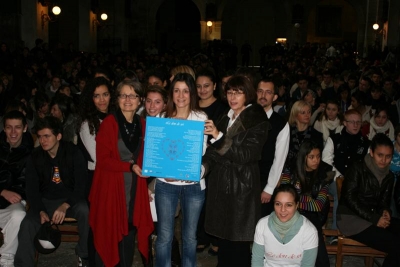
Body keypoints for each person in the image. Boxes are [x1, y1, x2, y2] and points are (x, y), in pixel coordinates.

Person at [202, 75, 270, 267]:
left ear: (247, 94)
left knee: (238, 242)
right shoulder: (227, 115)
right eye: (230, 92)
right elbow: (214, 152)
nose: (233, 97)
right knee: (224, 240)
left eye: (238, 93)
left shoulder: (257, 117)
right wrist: (203, 168)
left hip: (242, 186)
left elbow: (246, 154)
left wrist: (218, 136)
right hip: (221, 184)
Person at [89, 80, 153, 267]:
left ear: (140, 100)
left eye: (132, 95)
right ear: (117, 99)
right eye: (123, 95)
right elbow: (103, 160)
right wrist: (129, 167)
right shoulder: (109, 123)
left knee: (130, 231)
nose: (127, 99)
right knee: (109, 235)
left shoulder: (143, 124)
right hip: (111, 188)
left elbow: (148, 154)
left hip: (134, 189)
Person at [15, 116, 89, 267]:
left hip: (70, 200)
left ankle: (84, 255)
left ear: (58, 136)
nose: (43, 141)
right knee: (28, 223)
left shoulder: (73, 152)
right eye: (40, 137)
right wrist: (41, 210)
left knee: (85, 211)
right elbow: (32, 190)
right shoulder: (35, 156)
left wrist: (66, 205)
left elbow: (81, 186)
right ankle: (23, 264)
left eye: (47, 136)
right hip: (46, 201)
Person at [154, 73, 207, 267]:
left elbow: (201, 151)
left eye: (185, 91)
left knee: (190, 237)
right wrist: (162, 171)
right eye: (176, 90)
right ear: (171, 93)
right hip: (166, 184)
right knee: (164, 237)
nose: (181, 95)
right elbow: (157, 153)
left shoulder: (200, 117)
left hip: (193, 185)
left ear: (192, 93)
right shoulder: (161, 117)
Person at [337, 133, 400, 267]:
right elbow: (349, 198)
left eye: (388, 156)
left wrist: (385, 211)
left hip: (373, 216)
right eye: (380, 155)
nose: (384, 160)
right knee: (396, 245)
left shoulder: (389, 175)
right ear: (371, 152)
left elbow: (384, 201)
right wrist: (374, 218)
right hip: (351, 218)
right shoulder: (358, 168)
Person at [282, 140, 334, 267]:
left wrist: (297, 200)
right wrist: (306, 200)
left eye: (318, 156)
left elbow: (318, 206)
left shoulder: (325, 174)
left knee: (313, 232)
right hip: (290, 215)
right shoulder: (290, 170)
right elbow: (284, 196)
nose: (316, 160)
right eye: (311, 157)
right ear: (303, 157)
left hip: (313, 216)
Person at [251, 184, 318, 267]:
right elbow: (257, 260)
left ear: (296, 205)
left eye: (289, 205)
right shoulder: (262, 225)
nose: (282, 210)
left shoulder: (309, 230)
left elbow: (308, 265)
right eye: (278, 204)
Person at [0, 111, 33, 267]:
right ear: (4, 128)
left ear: (25, 128)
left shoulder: (30, 154)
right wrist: (2, 191)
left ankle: (6, 258)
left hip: (12, 202)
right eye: (9, 127)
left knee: (18, 214)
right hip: (2, 194)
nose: (13, 132)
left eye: (17, 127)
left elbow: (29, 184)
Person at [256, 78, 289, 217]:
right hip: (244, 178)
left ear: (275, 97)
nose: (263, 96)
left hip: (264, 179)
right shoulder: (246, 117)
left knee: (260, 220)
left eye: (268, 92)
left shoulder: (280, 123)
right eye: (260, 91)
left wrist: (269, 188)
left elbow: (279, 159)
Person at [77, 76, 114, 197]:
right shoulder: (87, 124)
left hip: (115, 173)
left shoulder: (116, 118)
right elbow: (98, 158)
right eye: (96, 96)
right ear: (90, 98)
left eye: (105, 94)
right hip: (97, 177)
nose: (102, 100)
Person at [283, 100, 323, 175]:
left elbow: (318, 159)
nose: (307, 115)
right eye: (303, 113)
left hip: (309, 173)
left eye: (309, 112)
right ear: (295, 115)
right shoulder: (286, 132)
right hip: (288, 172)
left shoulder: (317, 135)